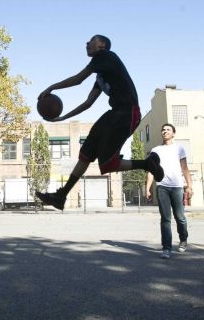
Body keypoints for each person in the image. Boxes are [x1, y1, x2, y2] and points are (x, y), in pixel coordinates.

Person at [35, 35, 163, 210]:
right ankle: (61, 195)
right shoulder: (101, 74)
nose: (86, 43)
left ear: (101, 45)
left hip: (127, 112)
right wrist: (63, 118)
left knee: (107, 164)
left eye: (91, 40)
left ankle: (146, 164)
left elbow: (78, 79)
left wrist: (51, 87)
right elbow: (88, 103)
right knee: (86, 153)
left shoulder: (105, 56)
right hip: (114, 113)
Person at [145, 123, 192, 259]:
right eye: (163, 130)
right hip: (162, 187)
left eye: (168, 130)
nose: (165, 131)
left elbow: (185, 168)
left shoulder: (179, 148)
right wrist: (147, 188)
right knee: (165, 218)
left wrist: (189, 185)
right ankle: (166, 248)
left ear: (173, 133)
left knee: (180, 217)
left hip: (177, 186)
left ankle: (183, 238)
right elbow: (151, 171)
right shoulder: (155, 150)